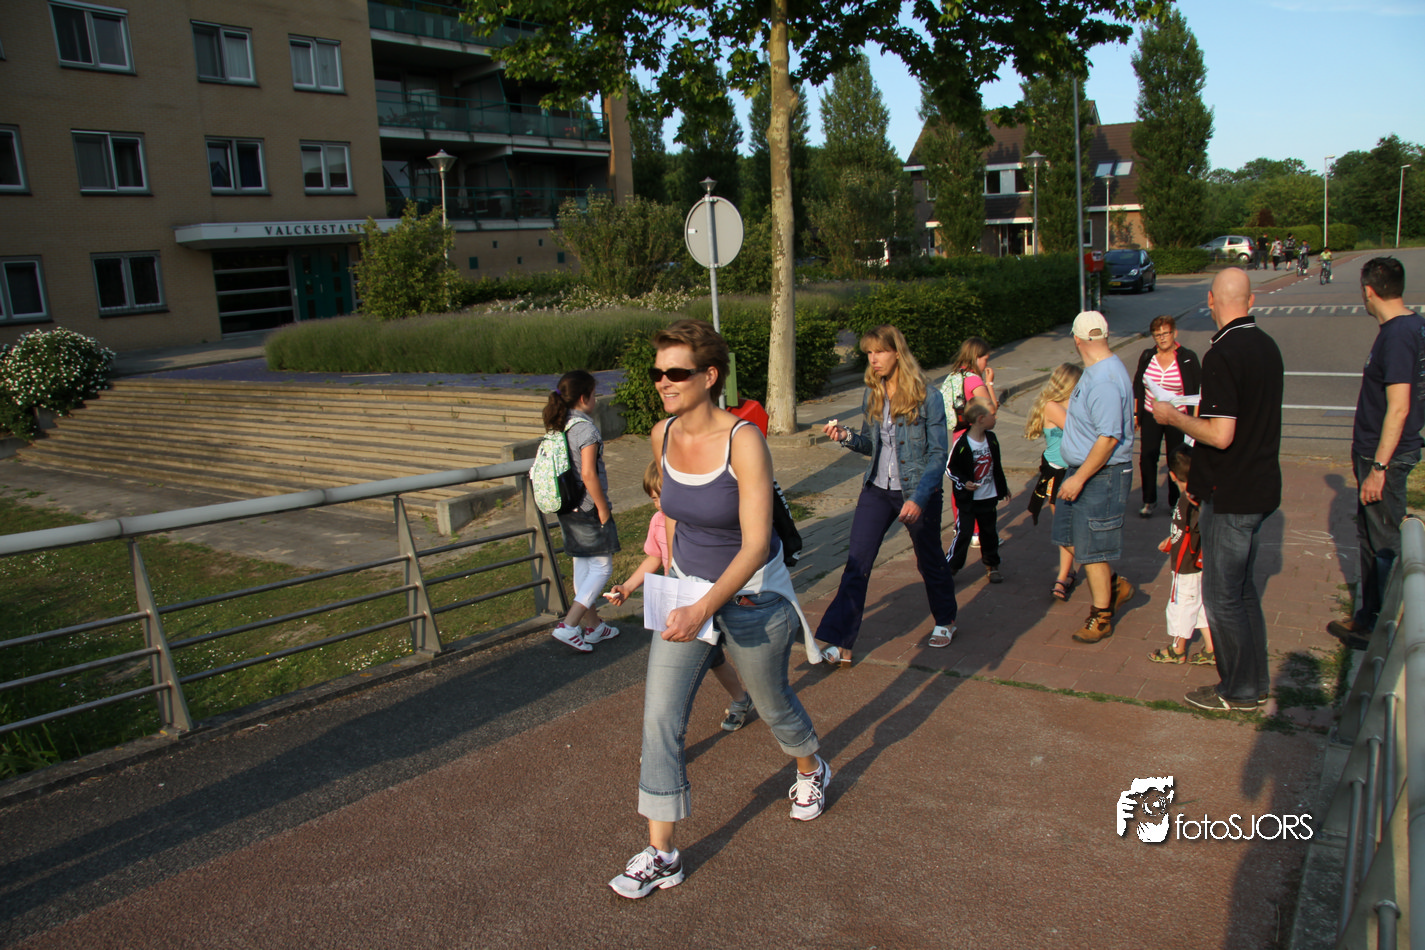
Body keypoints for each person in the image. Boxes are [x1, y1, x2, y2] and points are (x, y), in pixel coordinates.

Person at [609, 319, 825, 900]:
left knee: (772, 704)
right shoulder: (661, 434)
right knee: (660, 719)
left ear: (709, 376)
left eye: (676, 372)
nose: (662, 382)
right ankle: (662, 854)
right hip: (689, 596)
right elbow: (674, 514)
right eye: (657, 372)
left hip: (752, 596)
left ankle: (810, 767)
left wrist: (704, 604)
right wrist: (675, 581)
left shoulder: (744, 441)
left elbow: (755, 543)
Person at [1152, 267, 1284, 711]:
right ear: (1250, 301)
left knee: (1222, 596)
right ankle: (1254, 682)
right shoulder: (1267, 346)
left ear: (1211, 300)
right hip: (1259, 486)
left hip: (1233, 494)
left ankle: (1238, 689)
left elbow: (1221, 434)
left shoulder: (1223, 353)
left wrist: (1173, 417)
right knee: (1242, 592)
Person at [817, 325, 958, 658]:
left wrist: (918, 498)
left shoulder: (928, 396)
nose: (873, 359)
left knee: (930, 560)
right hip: (877, 490)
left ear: (897, 352)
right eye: (869, 352)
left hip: (917, 492)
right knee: (857, 564)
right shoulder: (873, 393)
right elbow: (871, 444)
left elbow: (938, 454)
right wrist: (847, 437)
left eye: (879, 351)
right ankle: (842, 641)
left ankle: (946, 619)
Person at [606, 460, 756, 732]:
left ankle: (752, 698)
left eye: (662, 497)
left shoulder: (697, 520)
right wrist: (628, 587)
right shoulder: (657, 522)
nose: (659, 504)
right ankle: (739, 700)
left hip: (710, 600)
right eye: (654, 499)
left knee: (740, 662)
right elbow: (654, 558)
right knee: (710, 661)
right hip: (679, 602)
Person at [1327, 258, 1425, 649]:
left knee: (1384, 544)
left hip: (1384, 456)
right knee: (1372, 538)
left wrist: (1379, 467)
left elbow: (1398, 406)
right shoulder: (1413, 325)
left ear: (1368, 291)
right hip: (1387, 452)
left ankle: (1383, 629)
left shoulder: (1397, 335)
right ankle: (1369, 617)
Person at [1055, 311, 1137, 644]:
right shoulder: (1098, 371)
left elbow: (1109, 438)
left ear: (1077, 340)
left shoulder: (1103, 380)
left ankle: (1101, 617)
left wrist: (1079, 478)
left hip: (1100, 474)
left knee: (1093, 550)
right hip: (1086, 469)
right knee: (1072, 537)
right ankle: (1115, 586)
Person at [544, 371, 620, 652]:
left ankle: (594, 627)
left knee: (583, 567)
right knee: (602, 567)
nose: (596, 400)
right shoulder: (586, 429)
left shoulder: (559, 425)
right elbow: (589, 473)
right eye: (594, 394)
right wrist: (603, 508)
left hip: (566, 506)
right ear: (583, 397)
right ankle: (569, 625)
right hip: (588, 506)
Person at [1148, 447, 1216, 665]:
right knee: (1200, 604)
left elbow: (1198, 531)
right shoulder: (1200, 496)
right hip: (1197, 562)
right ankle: (1212, 647)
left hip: (1187, 564)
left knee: (1180, 606)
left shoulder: (1191, 500)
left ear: (1172, 475)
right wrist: (1172, 539)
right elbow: (1190, 529)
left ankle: (1177, 649)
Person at [1024, 363, 1083, 600]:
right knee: (1063, 527)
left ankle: (1065, 574)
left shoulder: (1074, 405)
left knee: (1069, 527)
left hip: (1074, 471)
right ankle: (1093, 566)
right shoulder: (1052, 406)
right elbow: (1077, 430)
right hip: (1058, 473)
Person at [1132, 315, 1201, 518]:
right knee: (1147, 456)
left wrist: (1195, 420)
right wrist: (1136, 414)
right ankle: (1149, 500)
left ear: (1174, 333)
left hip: (1176, 416)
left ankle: (1174, 502)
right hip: (1151, 414)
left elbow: (1198, 389)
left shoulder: (1187, 357)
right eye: (1157, 334)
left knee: (1176, 457)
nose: (1162, 338)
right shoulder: (1147, 356)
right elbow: (1138, 386)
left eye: (1166, 333)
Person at [946, 402, 1010, 582]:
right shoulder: (963, 443)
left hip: (988, 497)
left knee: (989, 533)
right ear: (981, 419)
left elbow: (996, 466)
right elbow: (950, 468)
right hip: (968, 500)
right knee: (964, 533)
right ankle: (950, 567)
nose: (995, 418)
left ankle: (992, 565)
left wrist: (1003, 487)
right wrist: (964, 482)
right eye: (992, 415)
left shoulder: (992, 439)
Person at [939, 336, 998, 436]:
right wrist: (989, 383)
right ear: (976, 358)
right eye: (985, 359)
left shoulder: (955, 375)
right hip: (974, 435)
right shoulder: (974, 380)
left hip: (958, 434)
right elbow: (991, 410)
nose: (987, 363)